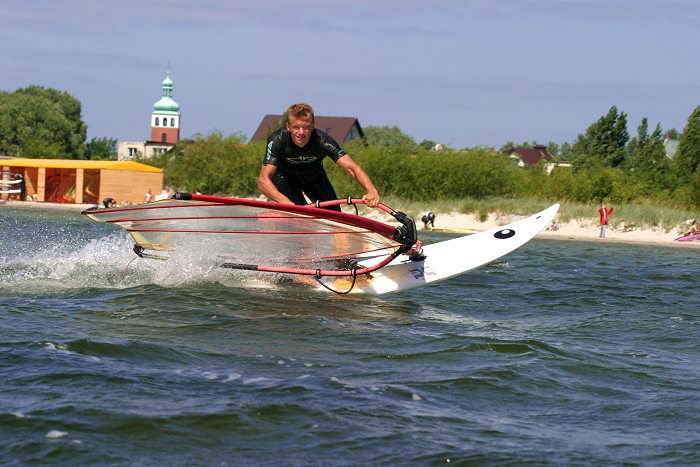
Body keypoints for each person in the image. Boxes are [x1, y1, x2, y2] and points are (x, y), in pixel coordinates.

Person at [257, 102, 379, 212]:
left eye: (306, 127)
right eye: (296, 127)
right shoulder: (277, 140)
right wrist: (284, 201)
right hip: (285, 178)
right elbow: (263, 181)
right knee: (299, 212)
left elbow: (353, 168)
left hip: (313, 177)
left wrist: (371, 190)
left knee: (335, 216)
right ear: (288, 127)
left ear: (313, 125)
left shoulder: (323, 141)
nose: (301, 132)